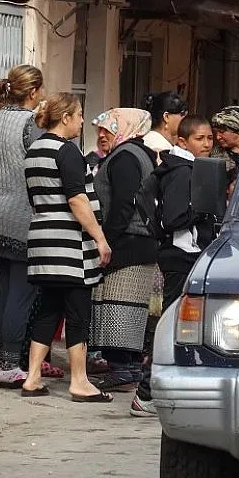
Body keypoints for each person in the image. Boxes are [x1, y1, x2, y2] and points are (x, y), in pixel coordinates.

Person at [21, 93, 112, 401]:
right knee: (77, 312)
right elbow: (77, 199)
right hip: (69, 245)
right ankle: (80, 381)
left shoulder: (35, 150)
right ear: (65, 117)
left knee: (48, 308)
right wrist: (100, 238)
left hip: (42, 239)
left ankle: (33, 377)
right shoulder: (67, 151)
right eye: (80, 114)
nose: (83, 121)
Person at [0, 64, 65, 388]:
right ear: (33, 92)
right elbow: (44, 166)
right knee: (20, 293)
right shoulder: (31, 124)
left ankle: (2, 360)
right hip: (23, 215)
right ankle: (10, 362)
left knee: (3, 290)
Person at [131, 115, 217, 417]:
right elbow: (174, 218)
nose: (206, 144)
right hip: (181, 256)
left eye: (209, 138)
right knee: (171, 325)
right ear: (182, 141)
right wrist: (206, 209)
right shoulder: (181, 171)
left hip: (183, 254)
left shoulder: (184, 167)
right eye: (199, 139)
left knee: (183, 326)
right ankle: (146, 393)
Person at [89, 108, 159, 392]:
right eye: (100, 130)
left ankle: (121, 370)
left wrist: (106, 240)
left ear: (126, 128)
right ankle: (127, 369)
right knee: (128, 306)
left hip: (127, 242)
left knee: (117, 304)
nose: (102, 135)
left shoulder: (126, 157)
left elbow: (123, 204)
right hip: (138, 241)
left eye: (109, 128)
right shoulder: (138, 153)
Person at [143, 92, 188, 158]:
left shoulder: (147, 139)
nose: (185, 119)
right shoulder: (160, 147)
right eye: (182, 114)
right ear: (166, 117)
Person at [211, 106, 239, 170]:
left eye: (222, 132)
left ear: (237, 130)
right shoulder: (215, 154)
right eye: (216, 132)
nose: (218, 137)